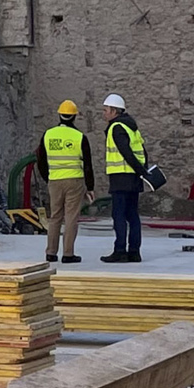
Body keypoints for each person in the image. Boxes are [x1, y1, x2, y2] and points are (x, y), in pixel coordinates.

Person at [35, 100, 93, 264]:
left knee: (55, 217)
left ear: (60, 115)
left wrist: (49, 178)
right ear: (74, 117)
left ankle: (51, 253)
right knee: (71, 218)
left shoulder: (48, 135)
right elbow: (88, 165)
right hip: (74, 181)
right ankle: (68, 254)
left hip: (54, 180)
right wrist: (90, 187)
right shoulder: (80, 137)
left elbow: (41, 161)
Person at [100, 93, 150, 264]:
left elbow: (126, 152)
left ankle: (120, 250)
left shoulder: (116, 128)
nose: (104, 114)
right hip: (134, 178)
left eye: (106, 110)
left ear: (114, 111)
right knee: (133, 215)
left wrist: (139, 170)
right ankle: (134, 252)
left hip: (121, 177)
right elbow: (142, 151)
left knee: (119, 215)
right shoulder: (132, 127)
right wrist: (142, 171)